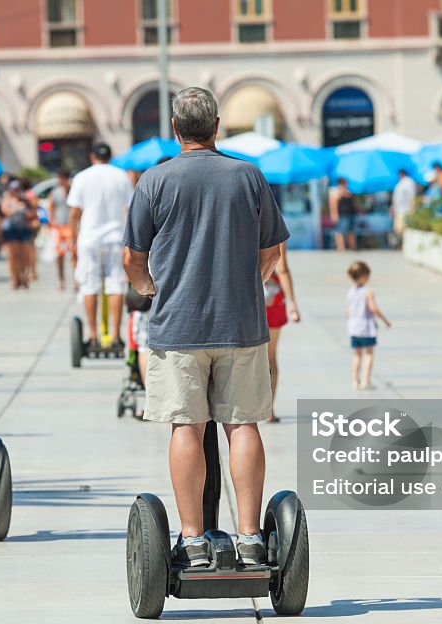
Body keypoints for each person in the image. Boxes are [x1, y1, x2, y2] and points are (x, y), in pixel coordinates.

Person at [123, 86, 289, 568]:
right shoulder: (248, 175)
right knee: (243, 425)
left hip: (178, 326)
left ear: (175, 129)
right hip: (240, 324)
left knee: (186, 427)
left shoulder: (154, 181)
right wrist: (245, 285)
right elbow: (270, 252)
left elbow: (133, 258)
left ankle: (193, 539)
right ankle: (250, 538)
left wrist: (152, 289)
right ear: (217, 126)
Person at [68, 142, 133, 349]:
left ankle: (93, 335)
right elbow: (129, 210)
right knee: (116, 285)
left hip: (90, 238)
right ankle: (115, 334)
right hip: (115, 237)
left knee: (90, 286)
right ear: (110, 156)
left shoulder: (82, 177)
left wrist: (72, 238)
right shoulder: (121, 176)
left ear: (92, 156)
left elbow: (74, 212)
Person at [264, 243, 300, 423]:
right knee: (270, 357)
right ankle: (269, 409)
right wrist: (293, 303)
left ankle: (247, 408)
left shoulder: (238, 222)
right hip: (272, 299)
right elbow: (282, 267)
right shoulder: (272, 225)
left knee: (246, 359)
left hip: (246, 297)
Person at [346, 261, 391, 390]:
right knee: (369, 353)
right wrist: (385, 320)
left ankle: (355, 381)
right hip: (366, 328)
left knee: (357, 354)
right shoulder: (367, 292)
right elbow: (373, 308)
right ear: (364, 275)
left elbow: (347, 310)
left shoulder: (350, 292)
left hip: (354, 328)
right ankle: (366, 381)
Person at [1, 180, 31, 290]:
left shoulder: (25, 200)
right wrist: (17, 208)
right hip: (11, 230)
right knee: (13, 256)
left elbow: (32, 213)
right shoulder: (7, 199)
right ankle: (14, 279)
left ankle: (23, 276)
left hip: (23, 229)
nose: (16, 191)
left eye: (18, 189)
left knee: (23, 256)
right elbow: (5, 211)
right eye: (14, 189)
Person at [48, 168, 74, 290]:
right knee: (59, 255)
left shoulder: (73, 190)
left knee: (74, 253)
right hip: (59, 226)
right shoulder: (56, 192)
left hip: (71, 226)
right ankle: (61, 279)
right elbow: (51, 206)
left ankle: (76, 280)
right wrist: (52, 222)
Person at [329, 177, 357, 252]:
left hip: (351, 213)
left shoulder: (350, 190)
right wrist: (334, 214)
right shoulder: (335, 191)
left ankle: (353, 247)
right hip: (342, 214)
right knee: (340, 231)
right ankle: (341, 247)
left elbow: (354, 201)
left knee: (351, 231)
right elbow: (333, 203)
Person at [391, 169, 417, 248]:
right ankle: (401, 245)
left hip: (405, 209)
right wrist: (393, 207)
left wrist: (412, 209)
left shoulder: (409, 182)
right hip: (399, 210)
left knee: (404, 229)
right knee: (398, 229)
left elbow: (411, 196)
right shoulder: (400, 183)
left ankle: (404, 246)